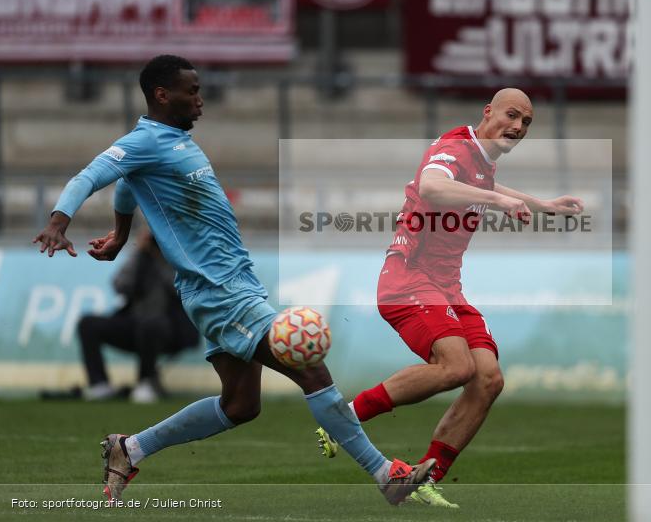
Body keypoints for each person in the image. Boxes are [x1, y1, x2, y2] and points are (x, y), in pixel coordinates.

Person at [32, 54, 433, 504]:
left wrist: (123, 234)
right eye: (192, 91)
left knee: (241, 405)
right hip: (219, 292)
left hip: (234, 283)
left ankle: (130, 448)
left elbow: (126, 184)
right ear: (163, 95)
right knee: (312, 370)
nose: (200, 101)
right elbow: (92, 175)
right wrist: (58, 221)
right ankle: (386, 476)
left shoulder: (172, 140)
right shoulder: (144, 141)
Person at [316, 88, 585, 508]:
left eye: (526, 123)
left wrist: (542, 204)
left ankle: (426, 476)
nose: (517, 127)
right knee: (457, 367)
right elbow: (433, 185)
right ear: (487, 113)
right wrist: (498, 200)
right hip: (408, 278)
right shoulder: (453, 146)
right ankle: (342, 420)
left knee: (488, 378)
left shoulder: (480, 162)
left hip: (445, 288)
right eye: (512, 116)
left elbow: (489, 183)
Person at [79, 229, 200, 404]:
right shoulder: (141, 257)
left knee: (150, 324)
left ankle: (146, 381)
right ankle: (100, 384)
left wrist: (162, 256)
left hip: (171, 327)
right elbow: (119, 284)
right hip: (136, 321)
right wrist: (140, 252)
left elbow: (178, 288)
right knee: (88, 324)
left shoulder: (179, 259)